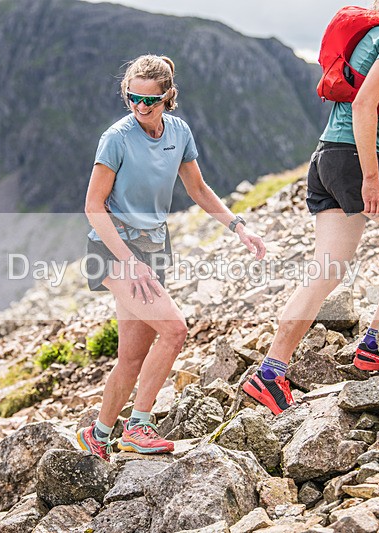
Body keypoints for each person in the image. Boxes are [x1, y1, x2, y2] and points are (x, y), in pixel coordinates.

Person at [242, 0, 379, 416]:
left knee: (326, 271)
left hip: (327, 156)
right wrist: (370, 177)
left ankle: (270, 374)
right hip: (355, 160)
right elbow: (364, 104)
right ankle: (373, 344)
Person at [78, 54, 266, 460]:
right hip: (114, 251)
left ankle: (99, 433)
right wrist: (128, 260)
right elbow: (94, 206)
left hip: (153, 249)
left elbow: (198, 190)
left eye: (151, 100)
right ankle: (139, 426)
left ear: (169, 97)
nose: (141, 108)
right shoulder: (116, 137)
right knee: (175, 330)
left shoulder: (179, 132)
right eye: (133, 99)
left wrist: (240, 227)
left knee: (131, 357)